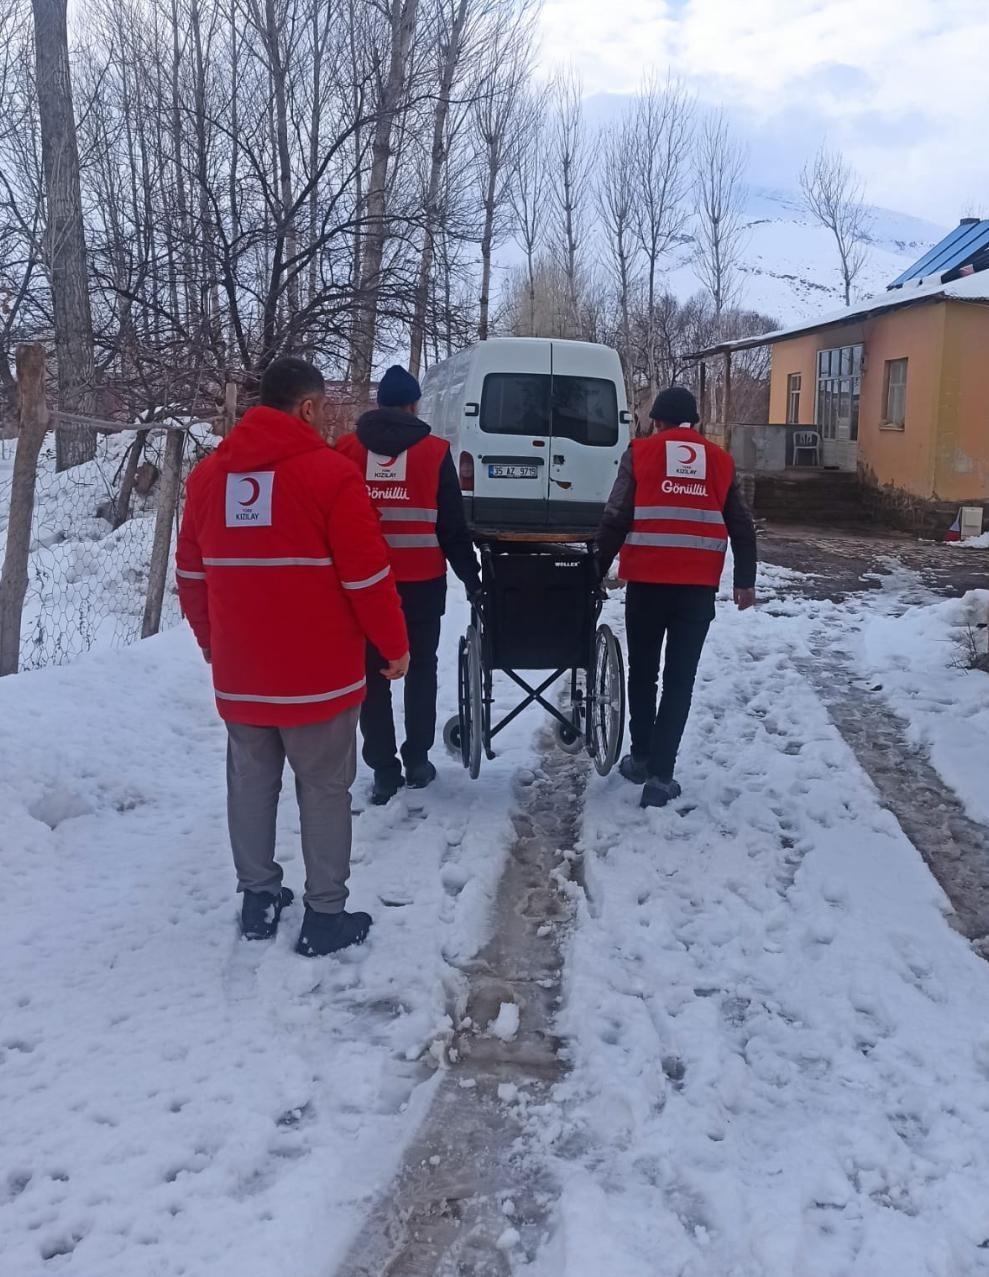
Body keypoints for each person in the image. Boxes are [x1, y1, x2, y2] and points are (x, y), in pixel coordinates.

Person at [176, 356, 410, 955]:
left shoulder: (207, 478)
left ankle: (258, 901)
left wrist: (212, 642)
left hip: (242, 674)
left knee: (250, 785)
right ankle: (325, 915)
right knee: (325, 789)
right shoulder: (331, 476)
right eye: (323, 407)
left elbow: (192, 575)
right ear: (306, 408)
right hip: (319, 678)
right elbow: (367, 578)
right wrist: (393, 645)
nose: (327, 418)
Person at [594, 386, 757, 809]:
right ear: (694, 422)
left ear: (657, 421)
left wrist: (593, 571)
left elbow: (615, 517)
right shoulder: (720, 461)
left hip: (646, 586)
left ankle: (641, 758)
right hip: (696, 591)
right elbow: (741, 524)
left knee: (643, 673)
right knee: (679, 680)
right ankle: (661, 777)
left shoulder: (640, 453)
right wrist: (745, 580)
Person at [337, 365, 481, 805]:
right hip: (421, 584)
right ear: (415, 406)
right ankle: (417, 760)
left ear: (379, 404)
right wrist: (472, 578)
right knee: (420, 670)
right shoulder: (434, 453)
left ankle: (384, 770)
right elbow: (452, 529)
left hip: (362, 588)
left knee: (371, 677)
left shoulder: (346, 451)